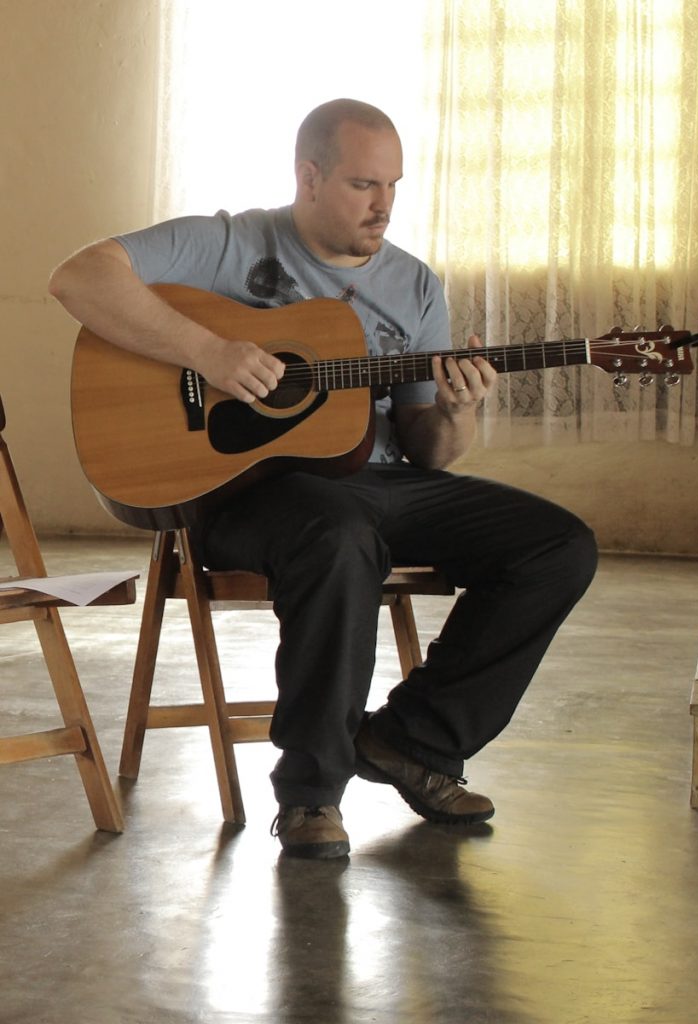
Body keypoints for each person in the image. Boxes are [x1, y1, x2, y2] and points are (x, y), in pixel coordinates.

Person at [49, 98, 598, 860]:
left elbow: (430, 452)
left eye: (394, 187)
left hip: (376, 483)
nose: (383, 206)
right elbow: (80, 277)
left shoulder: (414, 285)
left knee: (557, 544)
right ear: (308, 177)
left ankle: (412, 741)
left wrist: (456, 407)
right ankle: (311, 795)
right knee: (339, 537)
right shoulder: (230, 243)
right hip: (248, 493)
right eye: (363, 185)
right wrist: (210, 353)